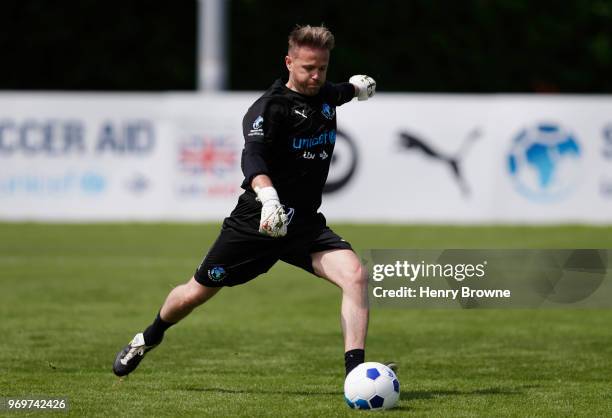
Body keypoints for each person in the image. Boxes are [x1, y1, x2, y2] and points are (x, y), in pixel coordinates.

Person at [113, 24, 376, 378]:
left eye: (322, 68)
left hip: (302, 225)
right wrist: (268, 197)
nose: (315, 77)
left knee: (356, 276)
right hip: (257, 221)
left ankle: (355, 376)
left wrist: (358, 88)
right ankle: (148, 336)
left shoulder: (325, 94)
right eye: (307, 68)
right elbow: (253, 158)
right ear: (288, 62)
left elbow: (339, 91)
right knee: (195, 293)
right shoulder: (269, 108)